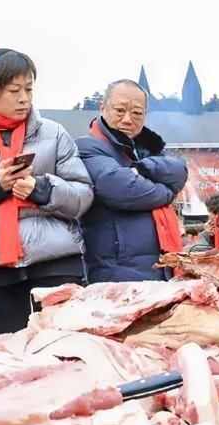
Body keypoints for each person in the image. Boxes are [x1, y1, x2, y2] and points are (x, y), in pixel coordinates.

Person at [0, 46, 92, 334]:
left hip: (56, 261)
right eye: (14, 90)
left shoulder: (54, 134)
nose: (24, 99)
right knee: (8, 358)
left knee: (64, 350)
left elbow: (83, 195)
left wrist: (43, 190)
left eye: (29, 89)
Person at [76, 79, 188, 282]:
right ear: (103, 108)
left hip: (161, 268)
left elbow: (179, 170)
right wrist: (167, 192)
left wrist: (138, 168)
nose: (128, 119)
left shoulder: (148, 148)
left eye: (137, 113)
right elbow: (123, 190)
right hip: (116, 271)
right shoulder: (87, 147)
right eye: (120, 110)